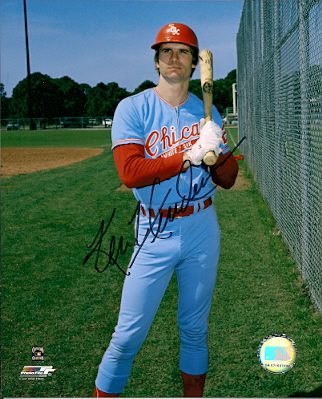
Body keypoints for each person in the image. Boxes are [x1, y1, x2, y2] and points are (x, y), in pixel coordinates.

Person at [94, 22, 238, 397]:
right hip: (154, 231)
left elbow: (228, 178)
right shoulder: (132, 108)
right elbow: (130, 173)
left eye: (184, 51)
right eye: (166, 51)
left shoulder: (208, 111)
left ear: (194, 65)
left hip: (201, 227)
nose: (174, 57)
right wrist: (187, 155)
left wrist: (216, 149)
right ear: (157, 62)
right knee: (127, 335)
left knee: (194, 329)